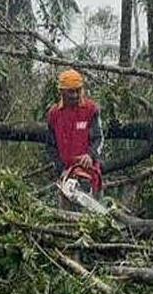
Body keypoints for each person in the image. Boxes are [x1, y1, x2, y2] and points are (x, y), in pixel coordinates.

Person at [46, 69, 105, 201]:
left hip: (89, 173)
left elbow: (99, 138)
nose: (75, 95)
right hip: (66, 174)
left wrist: (90, 155)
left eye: (78, 90)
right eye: (71, 91)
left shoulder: (91, 110)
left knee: (94, 217)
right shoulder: (54, 114)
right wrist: (61, 169)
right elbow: (51, 147)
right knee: (67, 217)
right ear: (61, 92)